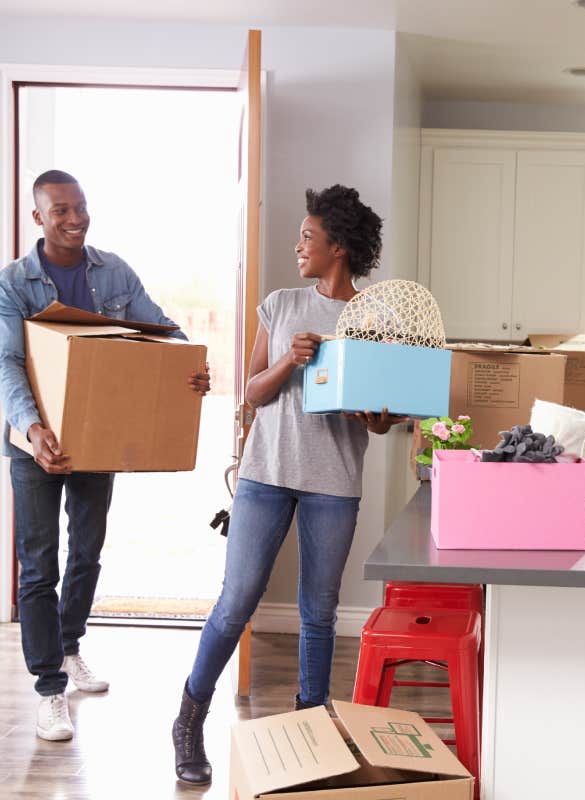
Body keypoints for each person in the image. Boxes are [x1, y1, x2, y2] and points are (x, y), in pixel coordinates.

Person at [171, 184, 406, 785]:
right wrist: (287, 362)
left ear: (339, 247)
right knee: (236, 602)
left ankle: (311, 730)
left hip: (334, 482)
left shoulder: (375, 319)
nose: (297, 246)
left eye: (307, 237)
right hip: (265, 476)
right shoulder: (279, 306)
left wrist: (374, 415)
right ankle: (190, 714)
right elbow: (250, 393)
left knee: (319, 612)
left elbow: (384, 421)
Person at [0, 170, 211, 742]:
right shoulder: (14, 282)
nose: (74, 219)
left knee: (87, 552)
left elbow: (158, 328)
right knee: (40, 562)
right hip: (35, 443)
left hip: (96, 435)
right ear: (39, 218)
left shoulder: (113, 271)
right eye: (60, 210)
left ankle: (69, 649)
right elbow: (8, 363)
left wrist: (186, 367)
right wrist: (34, 428)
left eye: (81, 207)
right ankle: (48, 690)